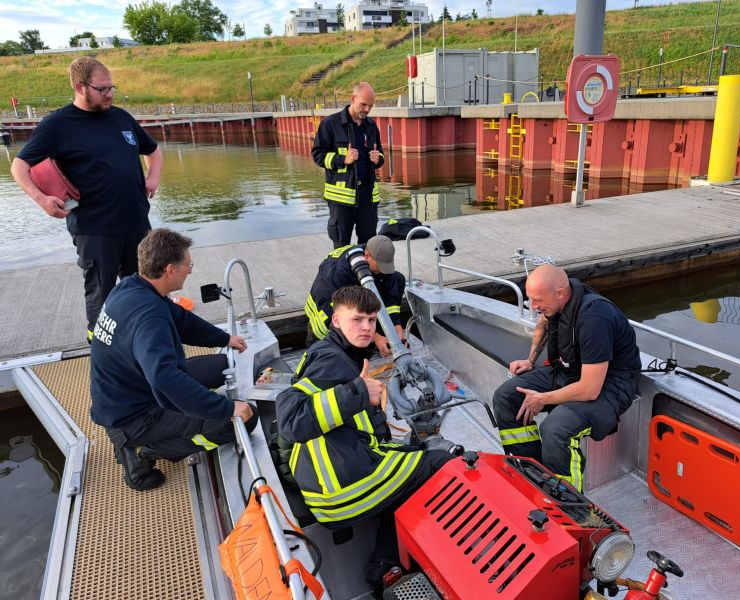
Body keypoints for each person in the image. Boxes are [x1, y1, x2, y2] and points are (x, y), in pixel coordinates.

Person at [277, 286, 454, 586]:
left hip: (329, 484)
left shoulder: (331, 352)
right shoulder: (331, 362)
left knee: (408, 464)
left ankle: (384, 566)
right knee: (442, 464)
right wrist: (358, 392)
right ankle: (444, 563)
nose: (366, 328)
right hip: (342, 490)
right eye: (357, 319)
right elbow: (291, 420)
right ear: (336, 320)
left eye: (372, 321)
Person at [90, 228, 257, 492]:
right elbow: (163, 378)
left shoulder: (132, 287)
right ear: (170, 270)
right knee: (246, 419)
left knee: (221, 366)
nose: (190, 270)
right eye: (187, 265)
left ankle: (151, 438)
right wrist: (225, 408)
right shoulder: (149, 317)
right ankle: (144, 451)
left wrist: (223, 339)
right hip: (135, 416)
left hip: (130, 390)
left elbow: (181, 321)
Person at [11, 56, 163, 342]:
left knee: (145, 287)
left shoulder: (121, 117)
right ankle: (102, 352)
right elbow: (19, 166)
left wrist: (153, 177)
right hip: (95, 229)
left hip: (136, 222)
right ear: (80, 88)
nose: (109, 94)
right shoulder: (57, 124)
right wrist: (41, 199)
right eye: (103, 89)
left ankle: (144, 342)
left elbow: (153, 150)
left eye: (111, 88)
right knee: (101, 294)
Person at [492, 264, 640, 492]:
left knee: (555, 429)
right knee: (506, 397)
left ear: (560, 293)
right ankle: (530, 471)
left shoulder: (594, 318)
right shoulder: (556, 303)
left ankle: (570, 505)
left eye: (538, 300)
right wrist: (530, 360)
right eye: (531, 300)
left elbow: (590, 389)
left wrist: (543, 398)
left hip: (609, 385)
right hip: (570, 371)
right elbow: (544, 321)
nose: (533, 307)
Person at [311, 82, 384, 249]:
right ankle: (341, 274)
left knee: (368, 246)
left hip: (367, 199)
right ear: (353, 98)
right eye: (364, 104)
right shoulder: (330, 124)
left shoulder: (372, 126)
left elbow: (380, 154)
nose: (367, 109)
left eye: (370, 106)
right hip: (341, 200)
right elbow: (318, 155)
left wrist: (377, 158)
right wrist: (342, 159)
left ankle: (364, 275)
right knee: (341, 247)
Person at [305, 235, 405, 356]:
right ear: (366, 255)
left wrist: (396, 327)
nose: (382, 271)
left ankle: (378, 336)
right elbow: (351, 310)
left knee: (398, 279)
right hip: (326, 311)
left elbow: (390, 296)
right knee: (341, 351)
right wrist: (375, 337)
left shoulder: (376, 260)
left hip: (354, 295)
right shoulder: (342, 271)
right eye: (379, 267)